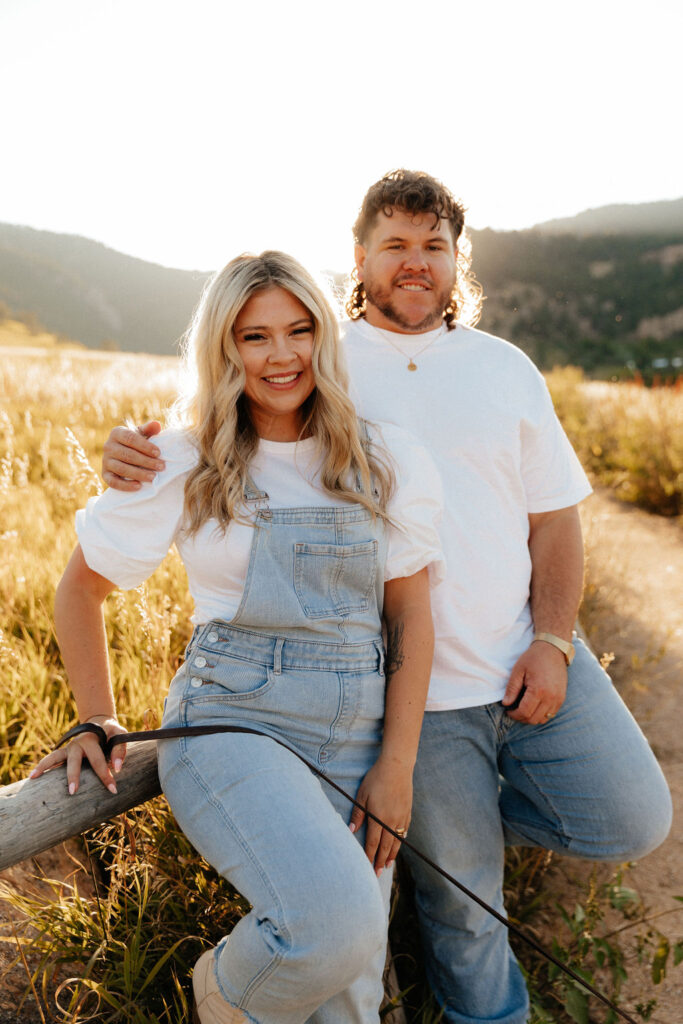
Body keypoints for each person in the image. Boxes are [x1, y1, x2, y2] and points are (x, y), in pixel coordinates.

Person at [100, 171, 673, 1024]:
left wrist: (551, 640)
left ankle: (457, 824)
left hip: (524, 656)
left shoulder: (505, 368)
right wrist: (129, 448)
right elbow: (238, 396)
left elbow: (554, 521)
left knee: (632, 815)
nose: (415, 262)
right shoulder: (327, 356)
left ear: (456, 260)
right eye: (395, 245)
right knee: (467, 911)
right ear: (359, 257)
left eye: (433, 246)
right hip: (412, 695)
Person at [31, 250, 446, 1024]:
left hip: (358, 735)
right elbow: (80, 588)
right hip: (234, 721)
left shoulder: (385, 457)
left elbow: (412, 615)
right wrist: (98, 715)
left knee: (350, 989)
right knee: (336, 927)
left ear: (324, 337)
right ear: (224, 349)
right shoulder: (180, 460)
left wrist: (397, 764)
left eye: (298, 331)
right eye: (254, 337)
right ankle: (220, 996)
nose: (281, 355)